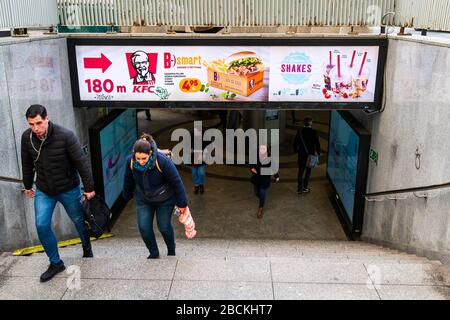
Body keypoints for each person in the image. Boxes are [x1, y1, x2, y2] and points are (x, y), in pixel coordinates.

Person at [21, 104, 96, 282]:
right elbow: (26, 163)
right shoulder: (27, 138)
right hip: (44, 190)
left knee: (79, 221)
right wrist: (27, 185)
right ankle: (55, 262)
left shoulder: (66, 136)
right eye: (31, 124)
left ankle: (87, 248)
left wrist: (89, 188)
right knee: (41, 224)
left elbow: (81, 163)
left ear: (47, 118)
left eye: (39, 123)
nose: (35, 128)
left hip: (69, 188)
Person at [123, 134, 188, 259]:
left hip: (165, 199)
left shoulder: (163, 161)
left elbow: (176, 182)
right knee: (144, 227)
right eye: (138, 158)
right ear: (133, 154)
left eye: (144, 158)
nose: (141, 162)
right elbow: (128, 179)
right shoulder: (130, 161)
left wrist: (182, 204)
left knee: (163, 227)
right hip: (144, 199)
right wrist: (126, 196)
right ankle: (153, 252)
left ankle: (171, 249)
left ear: (151, 153)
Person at [250, 144, 280, 219]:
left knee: (262, 191)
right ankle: (262, 198)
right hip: (257, 178)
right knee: (256, 192)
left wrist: (276, 176)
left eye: (264, 149)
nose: (262, 150)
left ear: (267, 150)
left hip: (265, 179)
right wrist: (252, 168)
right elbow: (251, 164)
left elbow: (273, 167)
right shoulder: (255, 157)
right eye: (261, 149)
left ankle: (261, 208)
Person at [293, 117, 321, 194]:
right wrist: (318, 153)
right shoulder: (314, 132)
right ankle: (305, 188)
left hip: (301, 155)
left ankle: (299, 189)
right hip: (310, 156)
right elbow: (317, 144)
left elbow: (295, 143)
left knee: (300, 172)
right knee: (308, 172)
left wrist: (296, 151)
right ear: (311, 123)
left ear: (303, 123)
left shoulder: (300, 132)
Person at [191, 126, 208, 195]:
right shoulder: (191, 140)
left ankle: (201, 184)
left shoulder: (205, 141)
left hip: (202, 160)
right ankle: (196, 185)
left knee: (201, 173)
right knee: (194, 173)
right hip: (194, 159)